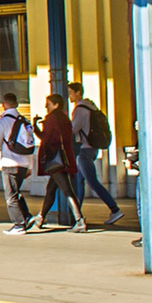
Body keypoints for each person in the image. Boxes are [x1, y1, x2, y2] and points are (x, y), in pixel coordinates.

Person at [66, 82, 123, 226]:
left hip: (84, 149)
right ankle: (77, 215)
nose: (69, 95)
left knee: (92, 182)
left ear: (78, 92)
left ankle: (114, 209)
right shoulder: (91, 106)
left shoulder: (79, 109)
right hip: (92, 147)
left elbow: (73, 129)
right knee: (79, 181)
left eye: (71, 92)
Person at [28, 92, 85, 232]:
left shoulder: (51, 118)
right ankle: (41, 217)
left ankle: (80, 220)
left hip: (55, 159)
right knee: (51, 189)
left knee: (67, 190)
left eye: (48, 104)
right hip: (65, 157)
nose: (46, 106)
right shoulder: (65, 118)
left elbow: (46, 138)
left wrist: (35, 127)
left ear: (56, 104)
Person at [0, 91, 35, 234]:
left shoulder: (2, 122)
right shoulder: (25, 122)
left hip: (9, 164)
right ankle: (27, 216)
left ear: (3, 105)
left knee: (10, 197)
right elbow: (30, 144)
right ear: (16, 104)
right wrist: (31, 166)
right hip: (24, 163)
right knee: (16, 192)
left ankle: (19, 225)